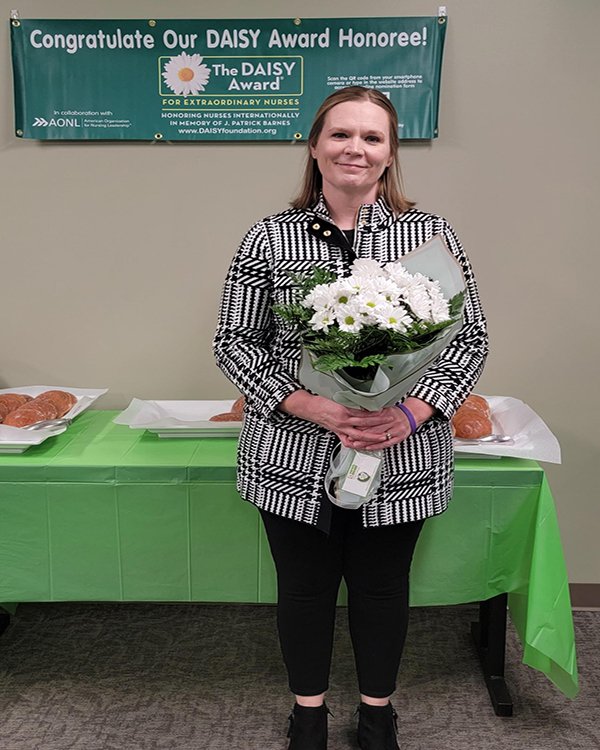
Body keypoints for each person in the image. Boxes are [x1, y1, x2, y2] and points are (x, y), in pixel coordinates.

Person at [213, 86, 488, 750]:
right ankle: (308, 715)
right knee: (304, 592)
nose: (354, 149)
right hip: (292, 453)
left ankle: (376, 715)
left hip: (402, 455)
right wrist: (312, 404)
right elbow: (234, 342)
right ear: (315, 146)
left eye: (371, 138)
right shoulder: (269, 236)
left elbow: (469, 340)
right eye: (340, 135)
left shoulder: (431, 234)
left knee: (382, 591)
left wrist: (412, 412)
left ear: (391, 154)